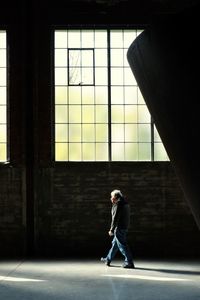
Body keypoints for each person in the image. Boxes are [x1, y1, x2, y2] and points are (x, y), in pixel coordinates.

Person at [101, 189, 134, 268]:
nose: (110, 198)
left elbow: (115, 218)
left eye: (111, 197)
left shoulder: (118, 204)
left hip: (119, 228)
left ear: (115, 196)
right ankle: (108, 259)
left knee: (122, 245)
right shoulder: (125, 203)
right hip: (124, 227)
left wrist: (111, 229)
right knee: (115, 244)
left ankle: (129, 262)